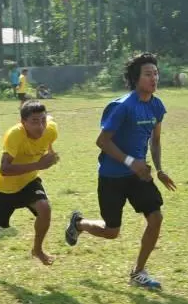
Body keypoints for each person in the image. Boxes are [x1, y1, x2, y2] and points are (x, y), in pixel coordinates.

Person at [65, 52, 177, 289]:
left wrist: (159, 169)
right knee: (111, 231)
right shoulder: (123, 106)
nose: (154, 78)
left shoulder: (157, 106)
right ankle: (79, 224)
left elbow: (155, 141)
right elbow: (102, 141)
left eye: (156, 73)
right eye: (148, 74)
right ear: (136, 79)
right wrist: (130, 162)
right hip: (112, 176)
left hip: (139, 175)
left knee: (156, 218)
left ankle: (138, 272)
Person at [0, 101, 59, 272]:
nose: (40, 126)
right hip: (5, 188)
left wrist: (52, 154)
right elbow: (5, 169)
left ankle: (37, 249)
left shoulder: (51, 129)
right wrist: (39, 164)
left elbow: (49, 136)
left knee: (45, 208)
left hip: (29, 182)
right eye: (34, 121)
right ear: (23, 122)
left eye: (42, 120)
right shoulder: (15, 135)